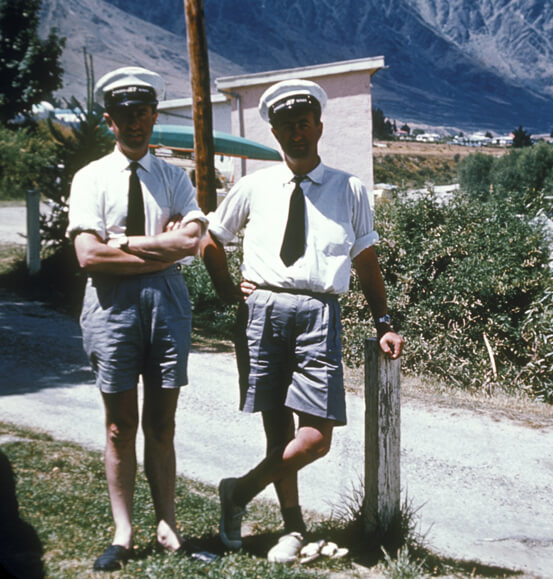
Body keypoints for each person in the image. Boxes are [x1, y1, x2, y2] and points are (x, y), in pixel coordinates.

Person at [200, 79, 404, 563]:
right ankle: (292, 528)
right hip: (262, 312)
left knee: (315, 438)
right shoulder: (253, 186)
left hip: (319, 315)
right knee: (277, 432)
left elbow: (366, 260)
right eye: (287, 126)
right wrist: (229, 289)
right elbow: (211, 240)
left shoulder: (348, 188)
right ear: (274, 132)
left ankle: (238, 491)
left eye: (304, 123)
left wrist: (384, 321)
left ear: (319, 126)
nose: (297, 133)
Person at [67, 66, 214, 570]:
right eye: (125, 115)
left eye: (144, 114)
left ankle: (168, 525)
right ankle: (123, 530)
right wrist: (163, 249)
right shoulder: (90, 179)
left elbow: (192, 241)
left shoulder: (174, 177)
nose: (136, 124)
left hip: (166, 305)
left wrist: (125, 242)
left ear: (154, 115)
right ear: (110, 120)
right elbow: (88, 257)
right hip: (111, 307)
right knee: (118, 425)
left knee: (163, 422)